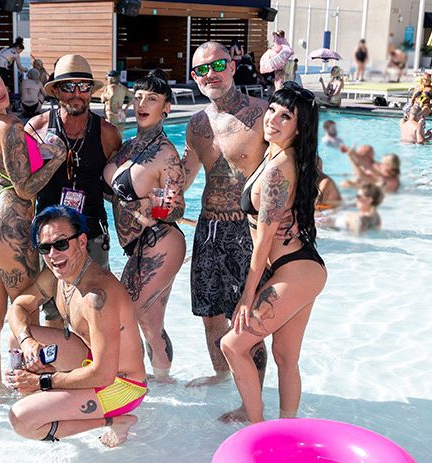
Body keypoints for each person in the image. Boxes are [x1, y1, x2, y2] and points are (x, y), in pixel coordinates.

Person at [0, 54, 122, 327]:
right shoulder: (36, 129)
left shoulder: (108, 133)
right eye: (68, 86)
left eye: (84, 86)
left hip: (91, 234)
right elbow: (13, 178)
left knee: (96, 309)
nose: (76, 93)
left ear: (91, 90)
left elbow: (116, 188)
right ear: (55, 91)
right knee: (53, 312)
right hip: (49, 239)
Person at [0, 58, 67, 394]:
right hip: (9, 226)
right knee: (24, 318)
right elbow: (25, 189)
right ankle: (26, 394)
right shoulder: (11, 126)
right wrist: (57, 158)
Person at [220, 82, 327, 424]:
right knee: (285, 357)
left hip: (294, 270)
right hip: (302, 268)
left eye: (285, 117)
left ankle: (256, 427)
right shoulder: (279, 155)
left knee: (232, 344)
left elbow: (264, 241)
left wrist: (247, 296)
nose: (273, 120)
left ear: (299, 127)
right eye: (272, 110)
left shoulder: (279, 167)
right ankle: (287, 428)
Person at [183, 41, 281, 388]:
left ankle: (251, 396)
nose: (211, 74)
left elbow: (296, 164)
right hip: (208, 228)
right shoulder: (197, 124)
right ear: (195, 77)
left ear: (233, 66)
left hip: (248, 230)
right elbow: (185, 175)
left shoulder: (264, 114)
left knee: (248, 320)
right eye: (202, 69)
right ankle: (222, 376)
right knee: (209, 314)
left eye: (218, 65)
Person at [6, 205, 146, 447]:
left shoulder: (98, 297)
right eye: (45, 248)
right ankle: (38, 399)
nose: (53, 254)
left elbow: (103, 374)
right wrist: (27, 342)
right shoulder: (57, 277)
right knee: (16, 338)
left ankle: (115, 421)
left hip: (122, 385)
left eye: (61, 244)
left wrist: (43, 381)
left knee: (21, 419)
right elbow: (18, 307)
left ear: (81, 242)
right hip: (92, 360)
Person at [103, 70, 186, 383]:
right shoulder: (127, 147)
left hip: (160, 240)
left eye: (152, 98)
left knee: (122, 314)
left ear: (166, 108)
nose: (142, 103)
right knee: (150, 324)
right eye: (138, 97)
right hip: (136, 245)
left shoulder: (165, 154)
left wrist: (155, 209)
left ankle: (125, 384)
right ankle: (164, 382)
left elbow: (177, 207)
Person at [317, 182, 383, 234]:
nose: (356, 199)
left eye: (358, 196)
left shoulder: (358, 219)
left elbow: (356, 235)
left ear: (369, 200)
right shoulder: (376, 217)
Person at [101, 69, 133, 134]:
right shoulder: (123, 88)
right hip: (121, 112)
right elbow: (133, 97)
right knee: (120, 134)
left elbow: (112, 94)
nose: (106, 80)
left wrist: (104, 97)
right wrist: (126, 108)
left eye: (106, 78)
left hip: (112, 112)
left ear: (110, 78)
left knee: (110, 134)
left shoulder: (110, 87)